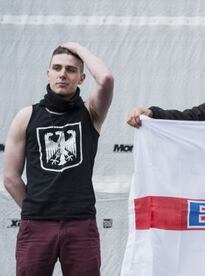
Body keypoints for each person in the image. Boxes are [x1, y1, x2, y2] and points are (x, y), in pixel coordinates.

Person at [3, 42, 114, 276]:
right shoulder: (27, 116)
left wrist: (75, 47)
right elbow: (10, 177)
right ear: (48, 73)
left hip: (81, 224)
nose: (63, 74)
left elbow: (105, 79)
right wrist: (36, 209)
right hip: (37, 224)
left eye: (71, 69)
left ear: (82, 78)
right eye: (57, 68)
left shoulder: (90, 113)